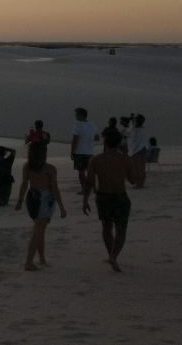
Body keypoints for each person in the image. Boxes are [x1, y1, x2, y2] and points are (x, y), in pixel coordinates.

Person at [84, 130, 136, 272]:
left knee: (107, 227)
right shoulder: (125, 159)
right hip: (120, 195)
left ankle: (110, 255)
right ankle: (114, 255)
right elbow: (133, 180)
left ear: (105, 142)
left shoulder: (95, 159)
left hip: (103, 196)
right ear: (120, 144)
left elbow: (89, 182)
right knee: (121, 229)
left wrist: (85, 200)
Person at [14, 141, 67, 271]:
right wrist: (61, 206)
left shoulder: (27, 166)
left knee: (40, 230)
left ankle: (41, 258)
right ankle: (29, 262)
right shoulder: (50, 169)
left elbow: (24, 184)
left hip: (32, 198)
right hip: (44, 200)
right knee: (38, 231)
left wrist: (20, 201)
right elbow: (54, 188)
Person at [71, 107, 100, 194]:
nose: (76, 116)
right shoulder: (93, 125)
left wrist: (72, 151)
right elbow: (97, 138)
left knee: (81, 172)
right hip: (90, 152)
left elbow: (74, 140)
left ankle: (84, 189)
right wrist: (88, 137)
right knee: (91, 172)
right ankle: (94, 188)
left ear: (81, 115)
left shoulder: (78, 125)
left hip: (80, 152)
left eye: (77, 114)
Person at [126, 114, 148, 189]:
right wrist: (133, 121)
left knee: (136, 169)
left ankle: (138, 185)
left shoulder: (134, 130)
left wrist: (132, 121)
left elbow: (129, 133)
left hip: (135, 151)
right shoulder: (143, 129)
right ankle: (142, 183)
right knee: (142, 168)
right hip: (143, 149)